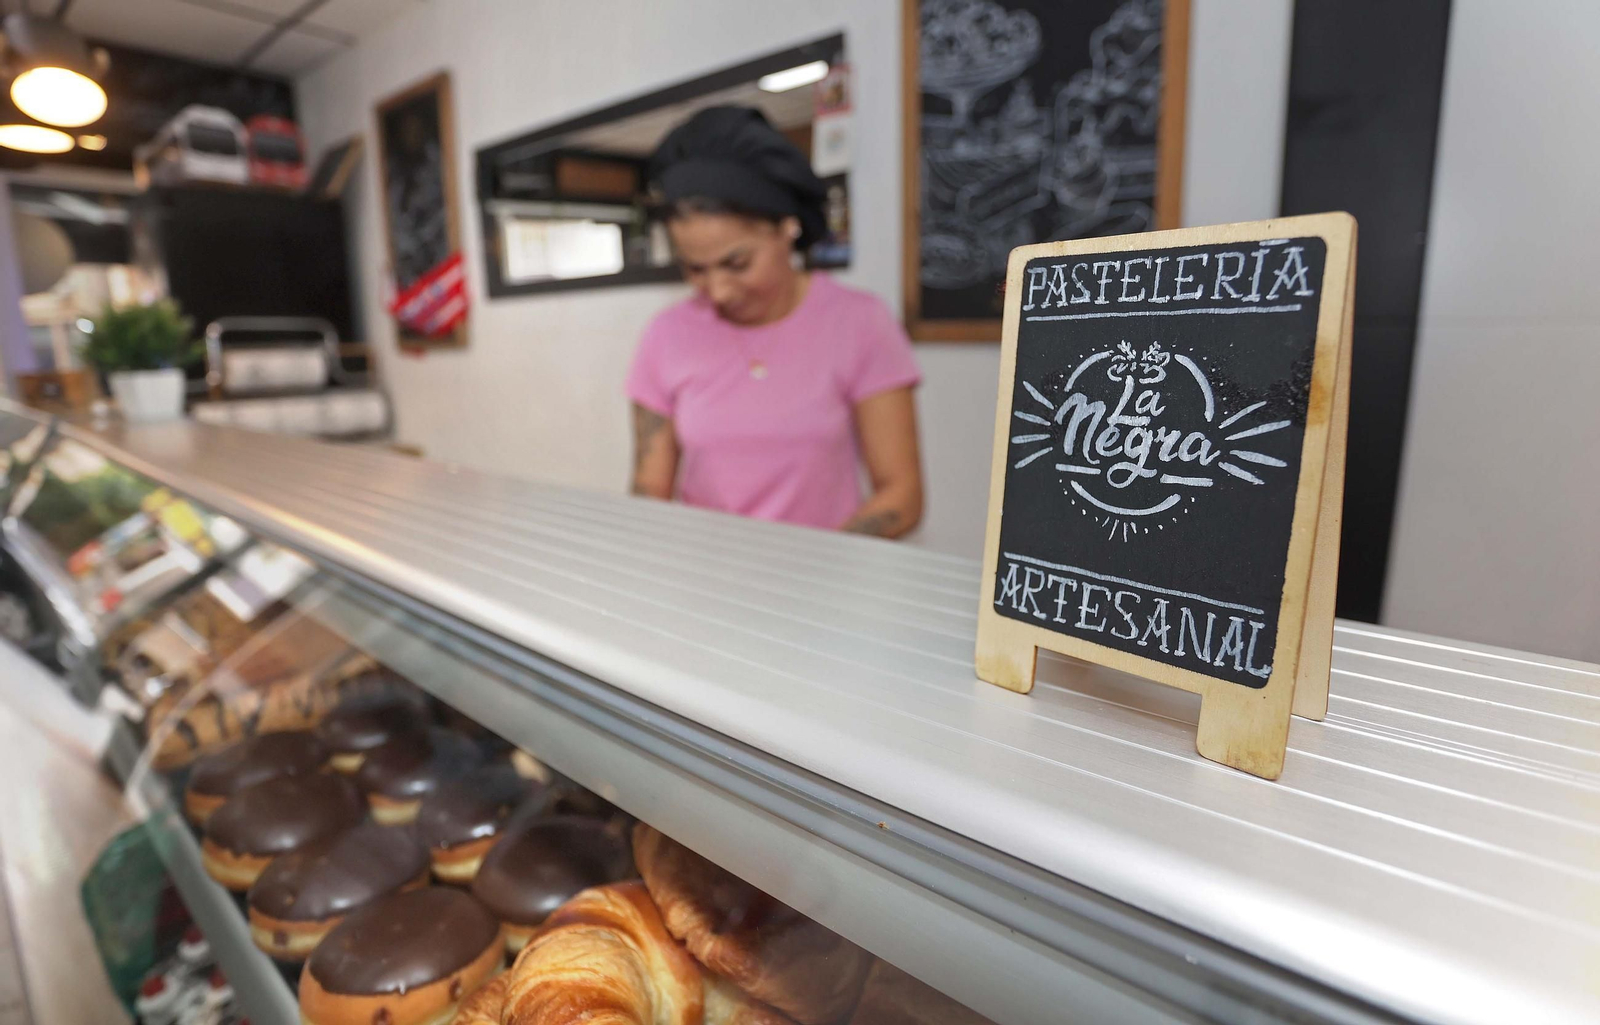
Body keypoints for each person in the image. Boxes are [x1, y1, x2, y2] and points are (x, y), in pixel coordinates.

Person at [626, 106, 924, 538]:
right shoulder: (666, 335)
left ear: (787, 227)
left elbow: (901, 494)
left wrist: (807, 571)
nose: (719, 290)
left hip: (824, 582)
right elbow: (649, 490)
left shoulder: (859, 322)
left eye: (737, 263)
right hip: (705, 579)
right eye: (695, 269)